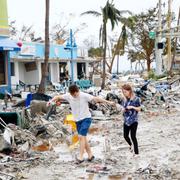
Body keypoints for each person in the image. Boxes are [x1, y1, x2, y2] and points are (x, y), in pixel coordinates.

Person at [51, 84, 114, 164]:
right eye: (72, 95)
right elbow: (57, 97)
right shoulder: (69, 96)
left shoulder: (84, 95)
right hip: (77, 120)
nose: (74, 96)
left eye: (75, 94)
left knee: (81, 136)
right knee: (83, 138)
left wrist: (108, 102)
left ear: (78, 91)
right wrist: (50, 101)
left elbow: (96, 99)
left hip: (86, 118)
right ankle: (90, 155)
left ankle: (80, 157)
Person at [121, 84, 141, 155]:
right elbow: (122, 108)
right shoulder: (124, 99)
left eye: (125, 91)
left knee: (133, 136)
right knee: (125, 136)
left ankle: (136, 153)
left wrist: (132, 107)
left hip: (134, 120)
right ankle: (130, 145)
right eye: (123, 92)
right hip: (126, 120)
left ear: (129, 91)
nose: (124, 93)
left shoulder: (136, 99)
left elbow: (139, 109)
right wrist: (123, 110)